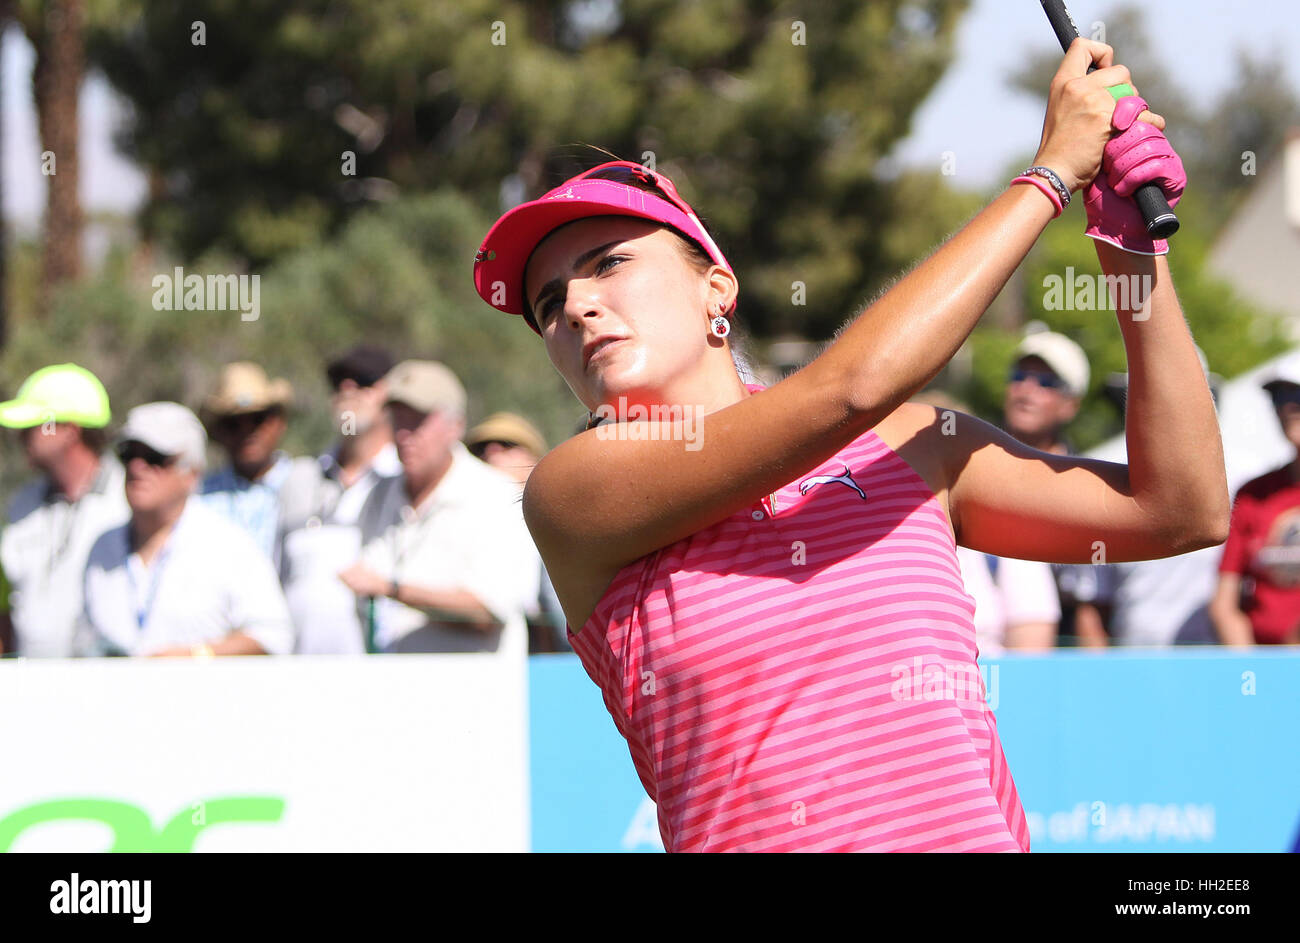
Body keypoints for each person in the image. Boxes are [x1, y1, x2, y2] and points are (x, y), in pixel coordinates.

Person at [472, 40, 1227, 852]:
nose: (577, 306)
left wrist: (1129, 255)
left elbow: (1178, 510)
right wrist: (1048, 177)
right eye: (549, 303)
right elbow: (850, 387)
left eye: (609, 263)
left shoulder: (909, 443)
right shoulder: (571, 492)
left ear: (715, 285)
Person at [339, 361, 539, 654]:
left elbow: (488, 611)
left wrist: (392, 589)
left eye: (418, 420)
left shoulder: (495, 495)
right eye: (398, 419)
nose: (405, 434)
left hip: (477, 693)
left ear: (455, 426)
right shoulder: (377, 495)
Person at [78, 402, 293, 657]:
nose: (137, 468)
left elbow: (273, 637)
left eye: (154, 457)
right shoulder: (102, 547)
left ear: (191, 473)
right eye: (128, 454)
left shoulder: (228, 545)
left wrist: (196, 655)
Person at [0, 364, 129, 657]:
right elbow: (7, 604)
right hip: (28, 684)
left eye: (31, 426)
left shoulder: (126, 498)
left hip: (101, 686)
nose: (20, 436)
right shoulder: (22, 504)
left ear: (70, 430)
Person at [280, 345, 401, 654]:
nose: (348, 390)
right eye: (338, 383)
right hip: (300, 673)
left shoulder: (406, 479)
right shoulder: (300, 478)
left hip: (384, 673)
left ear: (392, 396)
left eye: (364, 381)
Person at [996, 330, 1113, 647]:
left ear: (1070, 405)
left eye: (1046, 383)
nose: (1026, 390)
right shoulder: (966, 465)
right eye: (1019, 376)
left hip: (1061, 667)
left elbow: (1092, 608)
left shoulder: (1089, 487)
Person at [1210, 360, 1300, 646]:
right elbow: (1225, 604)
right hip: (1267, 670)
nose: (1288, 409)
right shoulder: (1254, 494)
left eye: (1298, 398)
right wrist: (1251, 674)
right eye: (1279, 398)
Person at [466, 412, 567, 651]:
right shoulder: (466, 522)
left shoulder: (563, 519)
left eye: (507, 445)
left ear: (535, 458)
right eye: (480, 449)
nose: (491, 453)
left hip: (564, 661)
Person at [199, 362, 314, 565]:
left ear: (279, 423)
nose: (247, 432)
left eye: (258, 419)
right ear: (218, 431)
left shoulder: (311, 486)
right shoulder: (200, 499)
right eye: (233, 423)